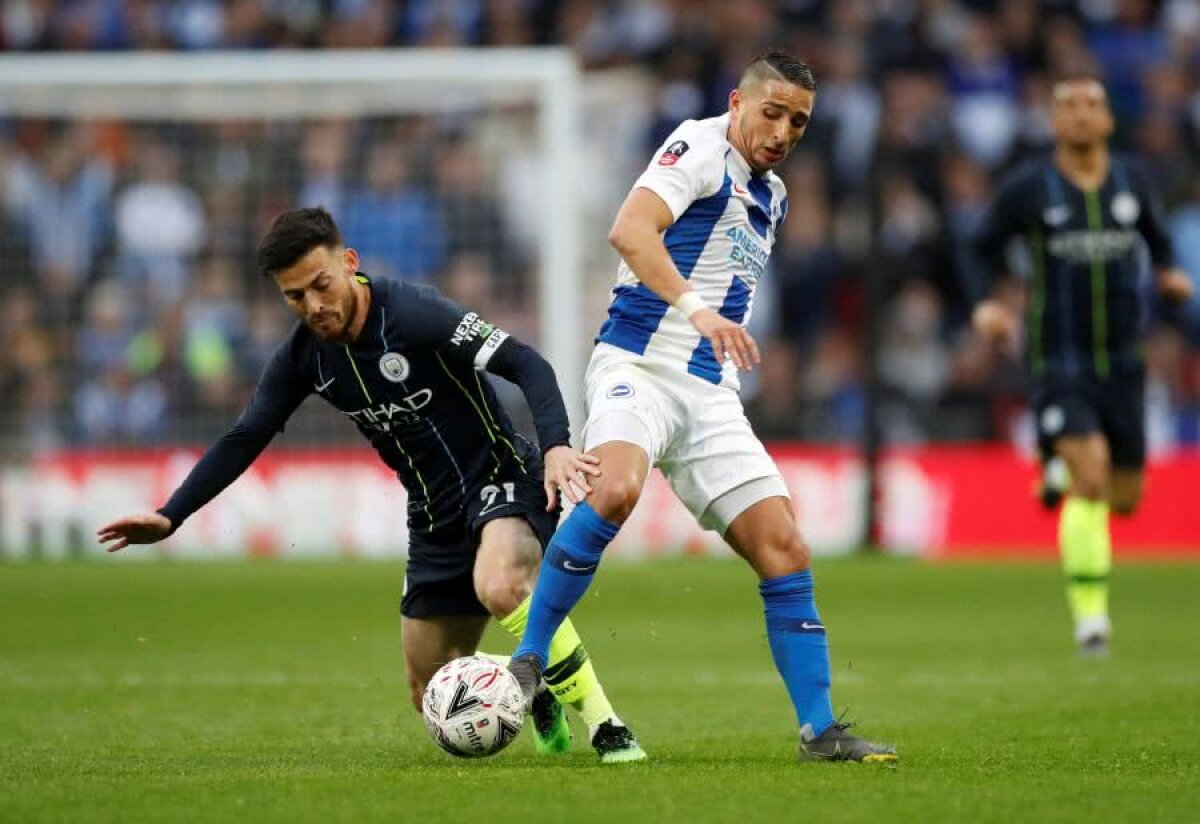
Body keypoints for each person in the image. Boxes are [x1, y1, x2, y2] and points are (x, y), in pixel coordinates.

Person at [96, 207, 645, 763]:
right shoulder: (302, 358)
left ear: (349, 264)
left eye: (320, 285)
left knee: (500, 583)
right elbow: (245, 436)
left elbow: (527, 364)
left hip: (502, 476)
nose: (313, 306)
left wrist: (555, 444)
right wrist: (173, 514)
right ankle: (536, 683)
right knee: (429, 694)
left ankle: (607, 728)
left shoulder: (415, 312)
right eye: (294, 296)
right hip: (432, 515)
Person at [507, 52, 897, 763]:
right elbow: (630, 230)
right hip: (638, 363)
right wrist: (697, 310)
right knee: (616, 487)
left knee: (784, 546)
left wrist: (719, 334)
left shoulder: (771, 195)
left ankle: (819, 730)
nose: (782, 131)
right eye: (772, 113)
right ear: (738, 101)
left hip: (708, 391)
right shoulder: (698, 144)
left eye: (799, 122)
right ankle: (530, 663)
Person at [970, 73, 1194, 656]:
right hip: (1057, 360)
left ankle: (1055, 467)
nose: (1079, 114)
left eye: (1091, 103)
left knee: (1123, 498)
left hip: (1124, 363)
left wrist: (1169, 273)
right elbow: (979, 246)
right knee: (1092, 478)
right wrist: (989, 302)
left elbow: (1159, 239)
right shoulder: (1030, 187)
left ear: (1108, 120)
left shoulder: (1132, 181)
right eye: (1066, 104)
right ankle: (1091, 621)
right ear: (1053, 120)